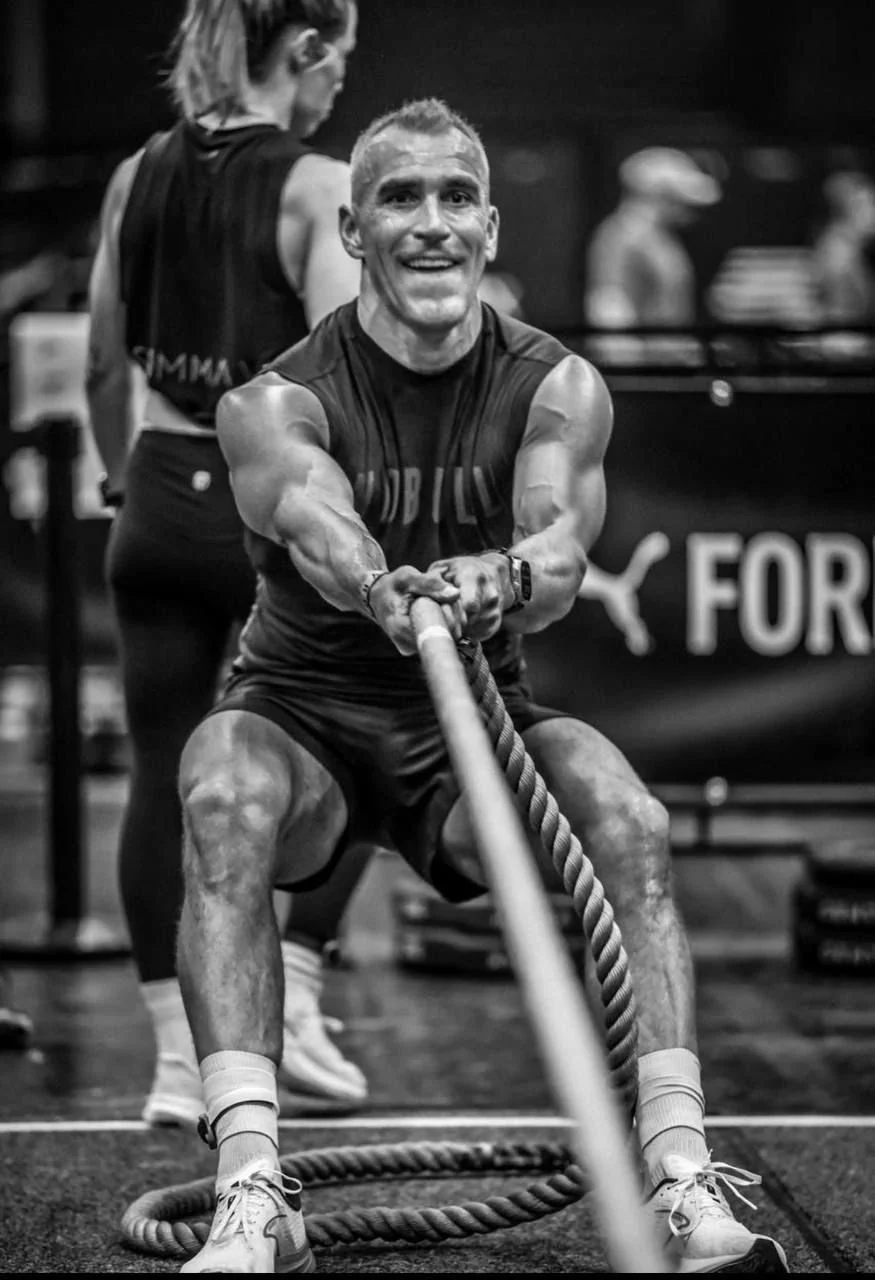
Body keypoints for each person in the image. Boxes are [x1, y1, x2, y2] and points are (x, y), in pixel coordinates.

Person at [174, 98, 790, 1274]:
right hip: (304, 717)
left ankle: (677, 1172)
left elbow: (557, 556)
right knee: (219, 788)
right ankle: (251, 1193)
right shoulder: (273, 399)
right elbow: (311, 514)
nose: (431, 222)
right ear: (351, 231)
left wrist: (499, 574)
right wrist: (381, 586)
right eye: (399, 198)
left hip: (474, 733)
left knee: (628, 817)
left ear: (490, 227)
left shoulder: (556, 384)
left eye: (456, 196)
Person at [85, 0, 371, 1133]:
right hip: (268, 514)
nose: (338, 85)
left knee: (163, 768)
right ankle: (293, 1003)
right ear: (303, 48)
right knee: (367, 745)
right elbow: (344, 391)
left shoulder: (134, 174)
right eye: (339, 61)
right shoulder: (317, 185)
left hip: (155, 495)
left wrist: (126, 485)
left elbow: (103, 361)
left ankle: (176, 1059)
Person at [583, 146, 721, 366]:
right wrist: (629, 371)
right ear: (660, 195)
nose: (689, 208)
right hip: (648, 369)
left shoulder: (660, 237)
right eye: (678, 198)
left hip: (670, 366)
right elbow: (609, 305)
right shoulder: (621, 235)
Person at [811, 169, 875, 325]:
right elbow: (843, 316)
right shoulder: (839, 253)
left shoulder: (852, 248)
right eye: (869, 204)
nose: (873, 212)